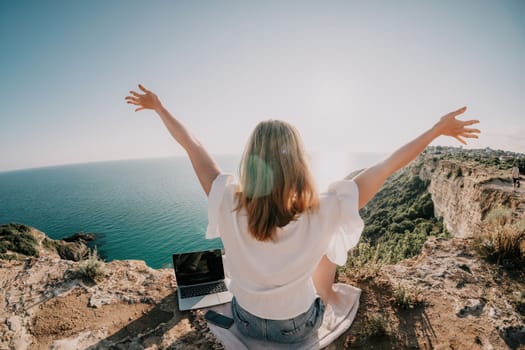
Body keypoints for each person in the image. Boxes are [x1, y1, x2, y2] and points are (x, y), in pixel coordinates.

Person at [125, 84, 480, 343]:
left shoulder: (227, 198)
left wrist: (159, 107)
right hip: (297, 328)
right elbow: (387, 166)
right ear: (299, 159)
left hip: (247, 320)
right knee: (329, 240)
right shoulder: (325, 208)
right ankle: (326, 294)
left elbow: (193, 146)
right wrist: (436, 130)